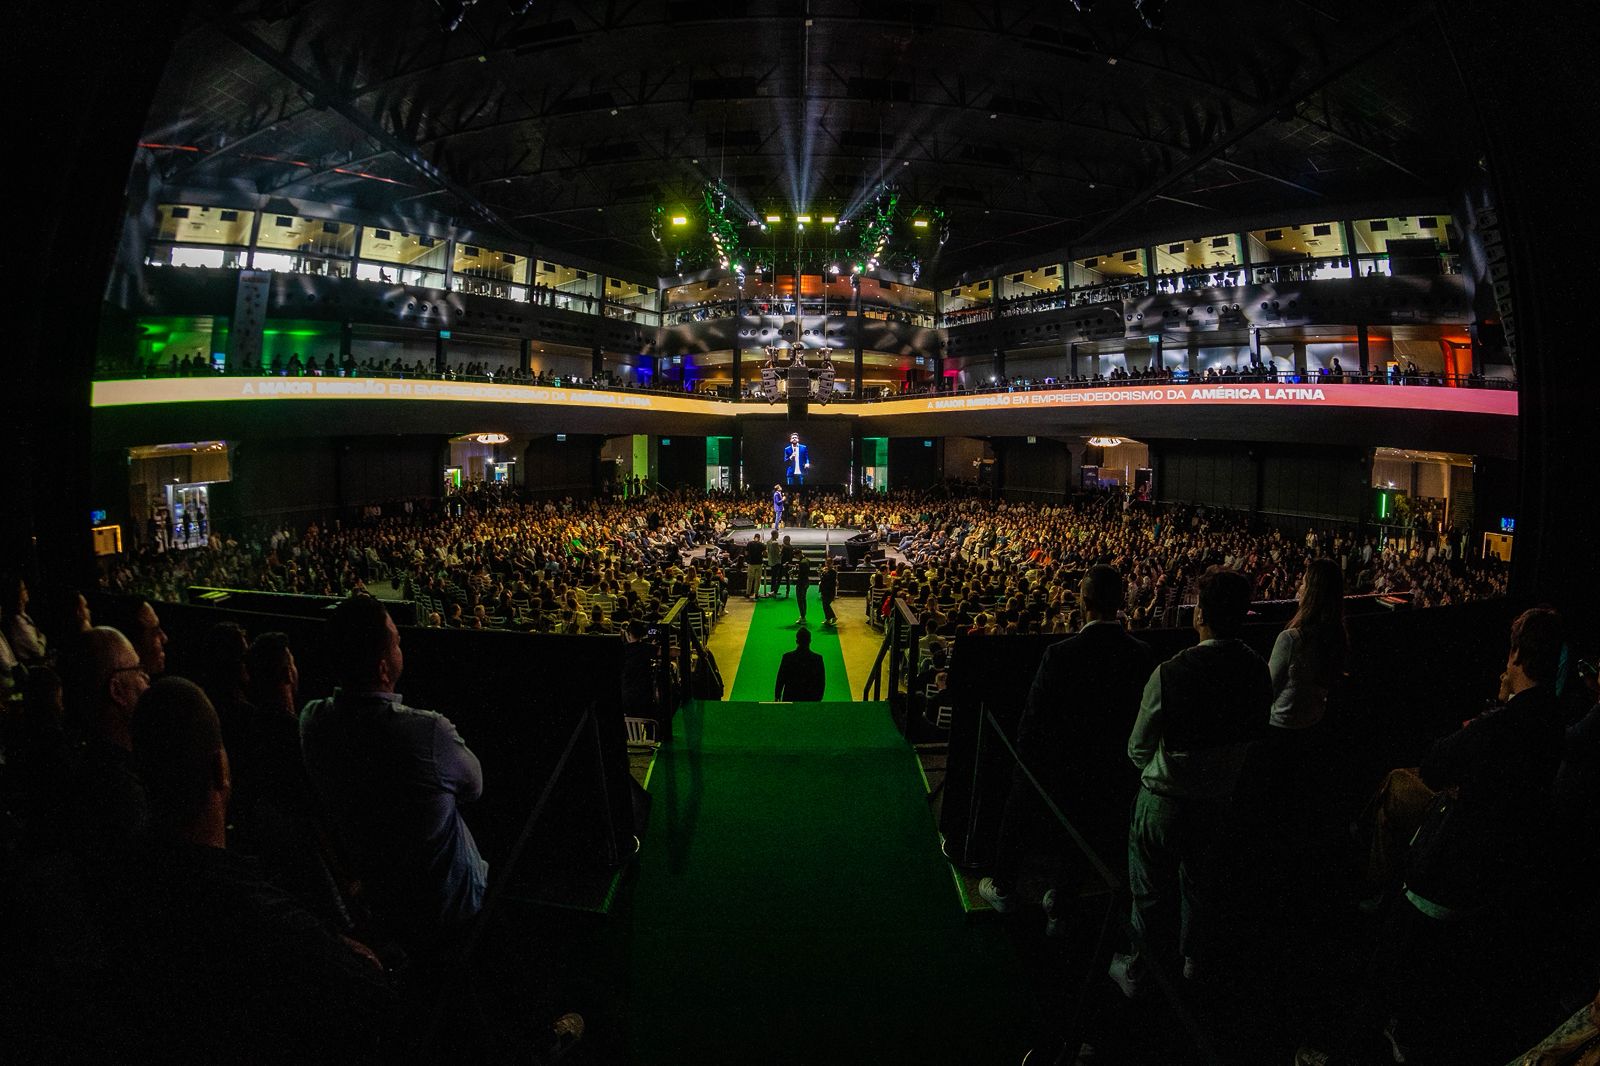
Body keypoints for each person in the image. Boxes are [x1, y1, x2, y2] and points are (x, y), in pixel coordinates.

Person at [1110, 567, 1272, 995]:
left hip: (1164, 801)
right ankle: (1193, 961)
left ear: (1200, 613)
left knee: (1149, 892)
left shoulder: (1170, 672)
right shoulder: (1258, 669)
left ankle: (1139, 969)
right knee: (1201, 885)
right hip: (1219, 802)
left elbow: (1137, 748)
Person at [299, 595, 488, 948]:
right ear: (384, 668)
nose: (402, 647)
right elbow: (475, 787)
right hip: (447, 904)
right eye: (397, 642)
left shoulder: (312, 721)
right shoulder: (428, 733)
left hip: (379, 899)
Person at [978, 566, 1156, 924]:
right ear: (1120, 601)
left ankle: (1003, 888)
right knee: (1084, 834)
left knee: (1018, 808)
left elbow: (1033, 721)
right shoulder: (1143, 654)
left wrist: (1029, 770)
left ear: (1083, 602)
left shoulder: (1060, 653)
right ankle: (1060, 907)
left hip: (1056, 768)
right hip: (1109, 769)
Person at [775, 628, 826, 702]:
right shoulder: (818, 659)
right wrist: (819, 698)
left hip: (790, 697)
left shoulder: (787, 657)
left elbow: (781, 678)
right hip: (810, 698)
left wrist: (777, 695)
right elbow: (821, 682)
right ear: (809, 641)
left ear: (797, 641)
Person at [744, 533, 765, 600]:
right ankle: (756, 593)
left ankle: (748, 593)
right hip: (759, 563)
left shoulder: (749, 543)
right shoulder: (761, 545)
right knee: (757, 580)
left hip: (751, 563)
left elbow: (746, 553)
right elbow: (765, 553)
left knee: (750, 579)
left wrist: (749, 557)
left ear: (754, 537)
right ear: (759, 538)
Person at [793, 553, 813, 625]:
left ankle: (803, 617)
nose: (796, 558)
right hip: (806, 581)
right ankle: (803, 615)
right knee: (803, 599)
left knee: (800, 600)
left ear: (798, 554)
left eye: (796, 556)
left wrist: (794, 572)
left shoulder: (802, 563)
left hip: (801, 583)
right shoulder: (807, 560)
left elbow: (801, 573)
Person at [819, 557, 838, 627]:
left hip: (829, 591)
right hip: (824, 590)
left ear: (832, 563)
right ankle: (828, 619)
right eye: (827, 563)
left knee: (826, 605)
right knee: (825, 605)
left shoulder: (833, 572)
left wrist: (823, 573)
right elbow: (822, 579)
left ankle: (833, 616)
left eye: (829, 563)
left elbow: (828, 580)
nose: (827, 564)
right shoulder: (826, 570)